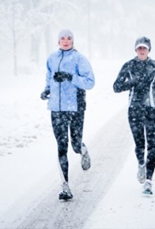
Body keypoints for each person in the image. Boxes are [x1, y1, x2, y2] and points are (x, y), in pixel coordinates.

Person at [40, 29, 95, 200]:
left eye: (69, 38)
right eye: (62, 38)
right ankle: (65, 186)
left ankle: (82, 150)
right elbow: (49, 78)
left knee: (75, 144)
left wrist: (71, 77)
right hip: (56, 109)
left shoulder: (79, 58)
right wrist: (47, 90)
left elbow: (90, 82)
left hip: (76, 107)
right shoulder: (52, 58)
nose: (65, 41)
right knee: (61, 147)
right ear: (58, 41)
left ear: (73, 41)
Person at [113, 36, 155, 194]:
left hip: (152, 109)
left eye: (145, 48)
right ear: (135, 50)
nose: (142, 50)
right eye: (139, 48)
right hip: (135, 110)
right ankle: (141, 164)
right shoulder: (129, 65)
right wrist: (132, 82)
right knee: (140, 145)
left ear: (149, 50)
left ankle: (148, 181)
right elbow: (116, 87)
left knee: (152, 145)